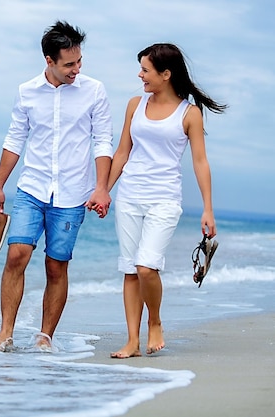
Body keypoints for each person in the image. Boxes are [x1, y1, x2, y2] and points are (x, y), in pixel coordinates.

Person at [0, 20, 113, 351]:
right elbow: (15, 139)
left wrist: (101, 187)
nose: (76, 69)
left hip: (73, 192)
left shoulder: (94, 90)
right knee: (17, 254)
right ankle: (5, 333)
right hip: (32, 187)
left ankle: (45, 337)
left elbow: (102, 141)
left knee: (56, 265)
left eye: (79, 61)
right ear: (49, 60)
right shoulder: (27, 91)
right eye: (69, 64)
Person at [105, 43, 226, 358]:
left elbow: (200, 162)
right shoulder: (135, 104)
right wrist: (103, 189)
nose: (140, 75)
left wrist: (208, 209)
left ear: (166, 74)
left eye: (146, 70)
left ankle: (154, 322)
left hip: (164, 199)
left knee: (147, 267)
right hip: (130, 195)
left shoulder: (190, 114)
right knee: (130, 270)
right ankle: (132, 341)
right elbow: (122, 152)